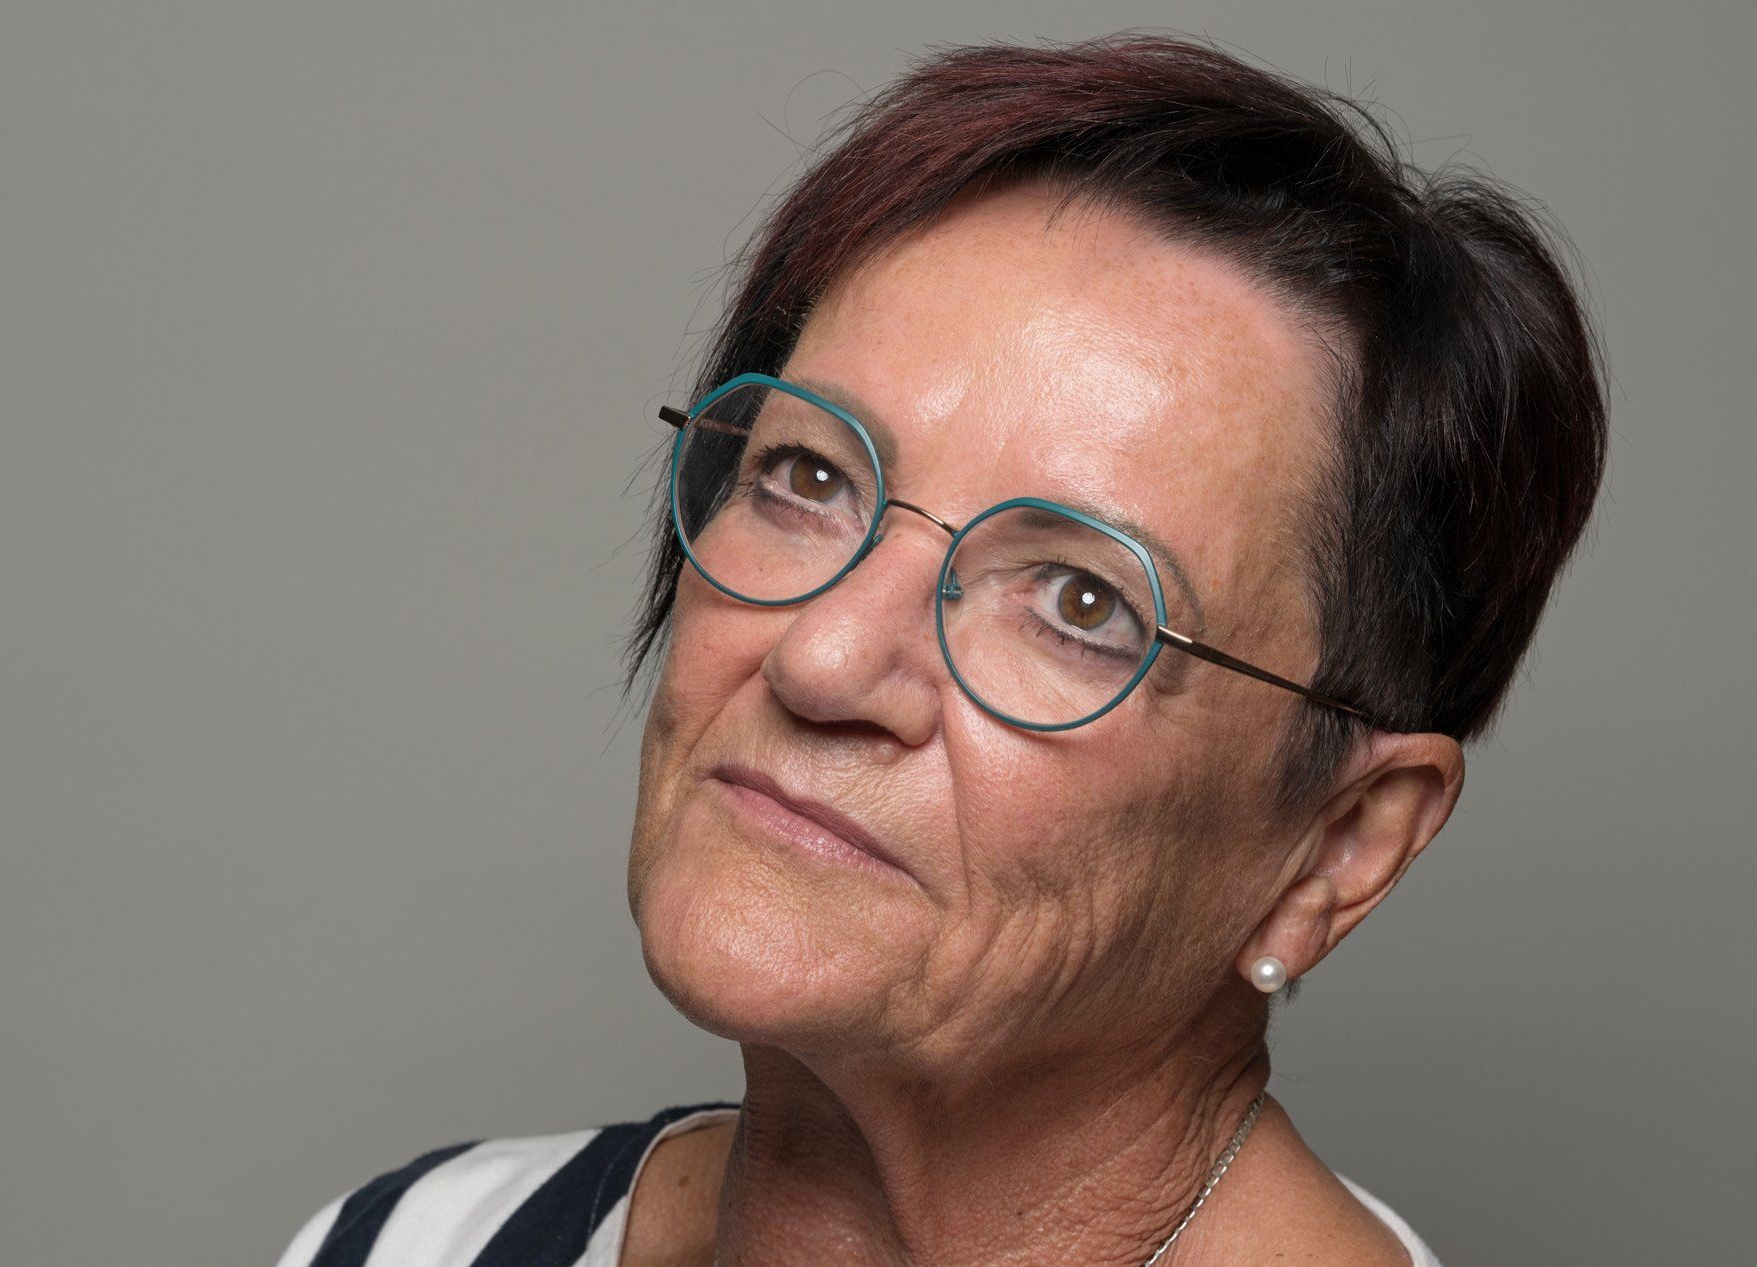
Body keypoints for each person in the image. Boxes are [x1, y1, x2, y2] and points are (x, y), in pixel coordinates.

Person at [277, 32, 1606, 1267]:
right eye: (807, 476)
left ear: (1341, 846)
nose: (823, 663)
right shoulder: (415, 1243)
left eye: (1081, 603)